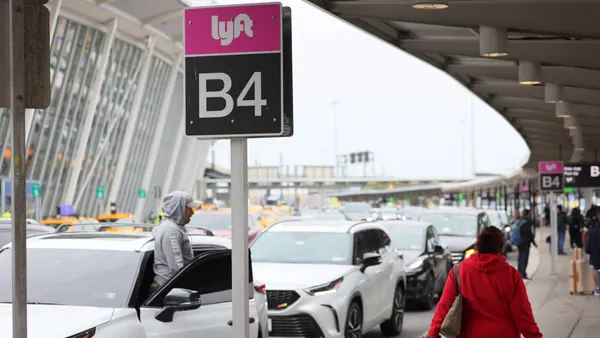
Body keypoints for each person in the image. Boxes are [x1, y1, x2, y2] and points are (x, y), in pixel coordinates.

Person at [424, 227, 542, 338]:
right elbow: (523, 317)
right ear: (500, 248)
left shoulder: (459, 271)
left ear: (477, 246)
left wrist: (432, 333)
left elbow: (444, 306)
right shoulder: (512, 276)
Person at [150, 191, 202, 294]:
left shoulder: (168, 227)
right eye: (189, 208)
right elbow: (177, 268)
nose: (192, 212)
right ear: (178, 208)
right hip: (167, 289)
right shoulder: (171, 230)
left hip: (166, 287)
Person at [518, 209, 537, 280]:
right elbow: (529, 234)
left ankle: (519, 273)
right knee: (524, 258)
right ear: (528, 214)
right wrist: (534, 243)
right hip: (525, 242)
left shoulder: (520, 221)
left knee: (520, 258)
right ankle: (523, 274)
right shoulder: (527, 223)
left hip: (519, 242)